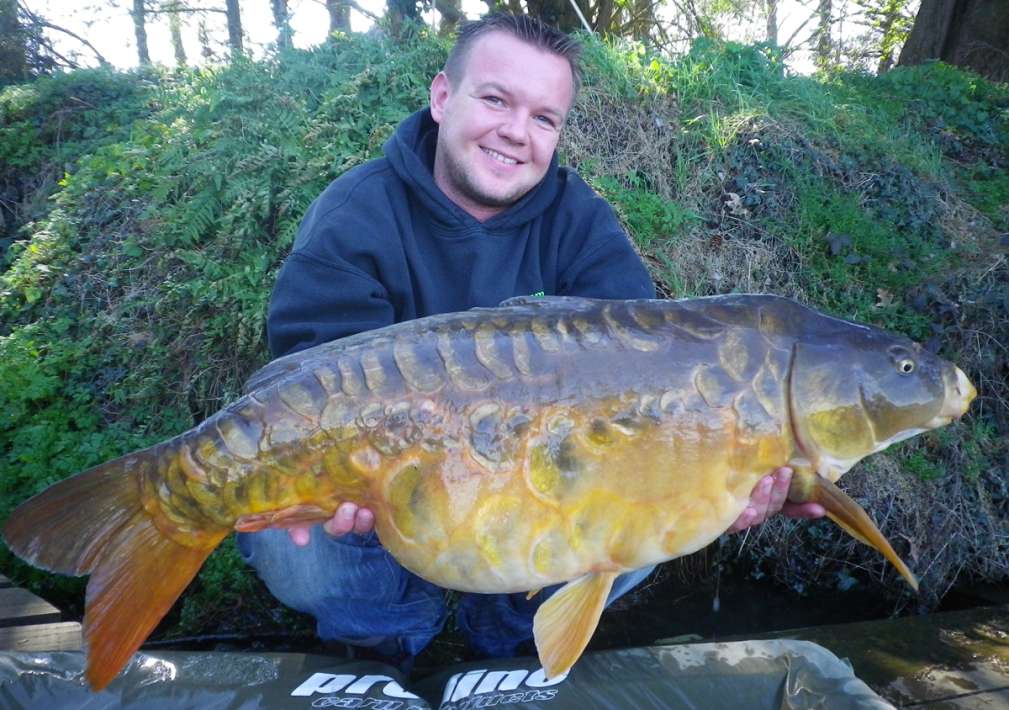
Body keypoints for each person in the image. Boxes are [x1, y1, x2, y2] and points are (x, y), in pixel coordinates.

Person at [238, 13, 824, 669]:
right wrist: (340, 478)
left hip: (534, 491)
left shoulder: (582, 227)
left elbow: (649, 390)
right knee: (303, 539)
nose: (516, 132)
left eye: (544, 118)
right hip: (396, 496)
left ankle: (506, 640)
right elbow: (307, 390)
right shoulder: (355, 217)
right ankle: (380, 638)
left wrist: (714, 485)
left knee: (650, 514)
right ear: (441, 97)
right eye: (495, 99)